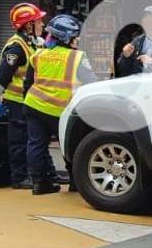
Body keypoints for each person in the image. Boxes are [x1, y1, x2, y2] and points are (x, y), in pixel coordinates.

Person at [23, 14, 99, 195]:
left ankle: (39, 184)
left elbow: (27, 83)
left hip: (34, 105)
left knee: (36, 144)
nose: (77, 40)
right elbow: (92, 83)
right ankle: (76, 182)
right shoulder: (77, 57)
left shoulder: (39, 54)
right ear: (67, 37)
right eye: (75, 36)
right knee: (72, 144)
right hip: (61, 110)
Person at [0, 3, 44, 189]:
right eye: (38, 20)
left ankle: (32, 175)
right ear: (28, 25)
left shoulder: (32, 42)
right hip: (17, 101)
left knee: (32, 139)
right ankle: (19, 177)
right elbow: (2, 76)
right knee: (19, 141)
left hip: (29, 100)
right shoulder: (16, 47)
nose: (42, 24)